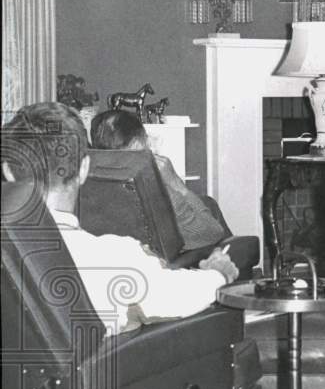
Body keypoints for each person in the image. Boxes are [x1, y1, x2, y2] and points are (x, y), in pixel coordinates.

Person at [1, 102, 238, 336]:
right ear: (83, 169)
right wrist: (218, 272)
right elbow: (180, 297)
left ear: (9, 172)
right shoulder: (113, 256)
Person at [90, 109, 227, 251]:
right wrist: (176, 182)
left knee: (208, 203)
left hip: (120, 250)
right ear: (137, 144)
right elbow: (213, 233)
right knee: (235, 243)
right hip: (166, 261)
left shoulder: (89, 182)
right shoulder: (157, 189)